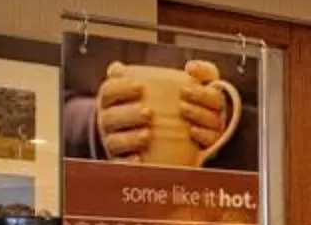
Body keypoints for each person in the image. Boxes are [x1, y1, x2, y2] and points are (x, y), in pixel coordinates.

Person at [62, 56, 237, 162]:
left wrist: (221, 112)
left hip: (215, 198)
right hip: (102, 190)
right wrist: (92, 124)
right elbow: (48, 94)